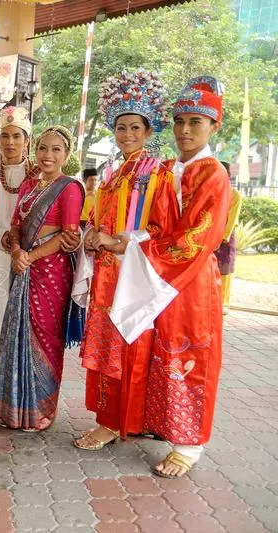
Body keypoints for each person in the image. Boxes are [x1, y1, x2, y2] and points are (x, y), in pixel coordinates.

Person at [103, 77, 231, 478]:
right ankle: (162, 426)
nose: (185, 130)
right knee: (159, 355)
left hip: (189, 284)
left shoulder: (213, 175)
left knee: (189, 357)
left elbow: (195, 240)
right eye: (179, 121)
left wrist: (136, 249)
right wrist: (134, 238)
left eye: (196, 121)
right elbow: (159, 227)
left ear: (214, 127)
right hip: (160, 277)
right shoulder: (170, 170)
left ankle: (190, 445)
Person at [73, 70, 174, 450]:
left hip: (131, 276)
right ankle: (115, 418)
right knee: (111, 349)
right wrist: (89, 237)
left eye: (134, 127)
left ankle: (118, 421)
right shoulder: (113, 174)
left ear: (149, 131)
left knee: (130, 347)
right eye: (120, 128)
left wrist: (118, 242)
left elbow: (162, 230)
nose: (127, 135)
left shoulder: (157, 175)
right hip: (106, 275)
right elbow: (97, 221)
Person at [0, 125, 84, 431]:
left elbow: (68, 235)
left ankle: (43, 408)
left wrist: (29, 256)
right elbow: (16, 224)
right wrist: (17, 249)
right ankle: (16, 408)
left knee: (46, 337)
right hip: (23, 267)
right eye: (43, 148)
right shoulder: (30, 185)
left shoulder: (69, 188)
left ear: (66, 155)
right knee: (18, 333)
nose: (48, 155)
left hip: (51, 272)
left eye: (56, 149)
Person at [0, 104, 38, 411]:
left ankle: (25, 387)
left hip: (33, 261)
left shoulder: (39, 175)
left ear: (27, 140)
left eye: (16, 136)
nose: (10, 142)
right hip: (2, 260)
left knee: (28, 325)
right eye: (5, 136)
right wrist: (1, 237)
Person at [214, 162, 241, 314]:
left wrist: (222, 237)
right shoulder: (212, 191)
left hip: (225, 237)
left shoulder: (234, 194)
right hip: (210, 236)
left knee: (225, 269)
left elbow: (232, 217)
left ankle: (224, 303)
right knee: (213, 269)